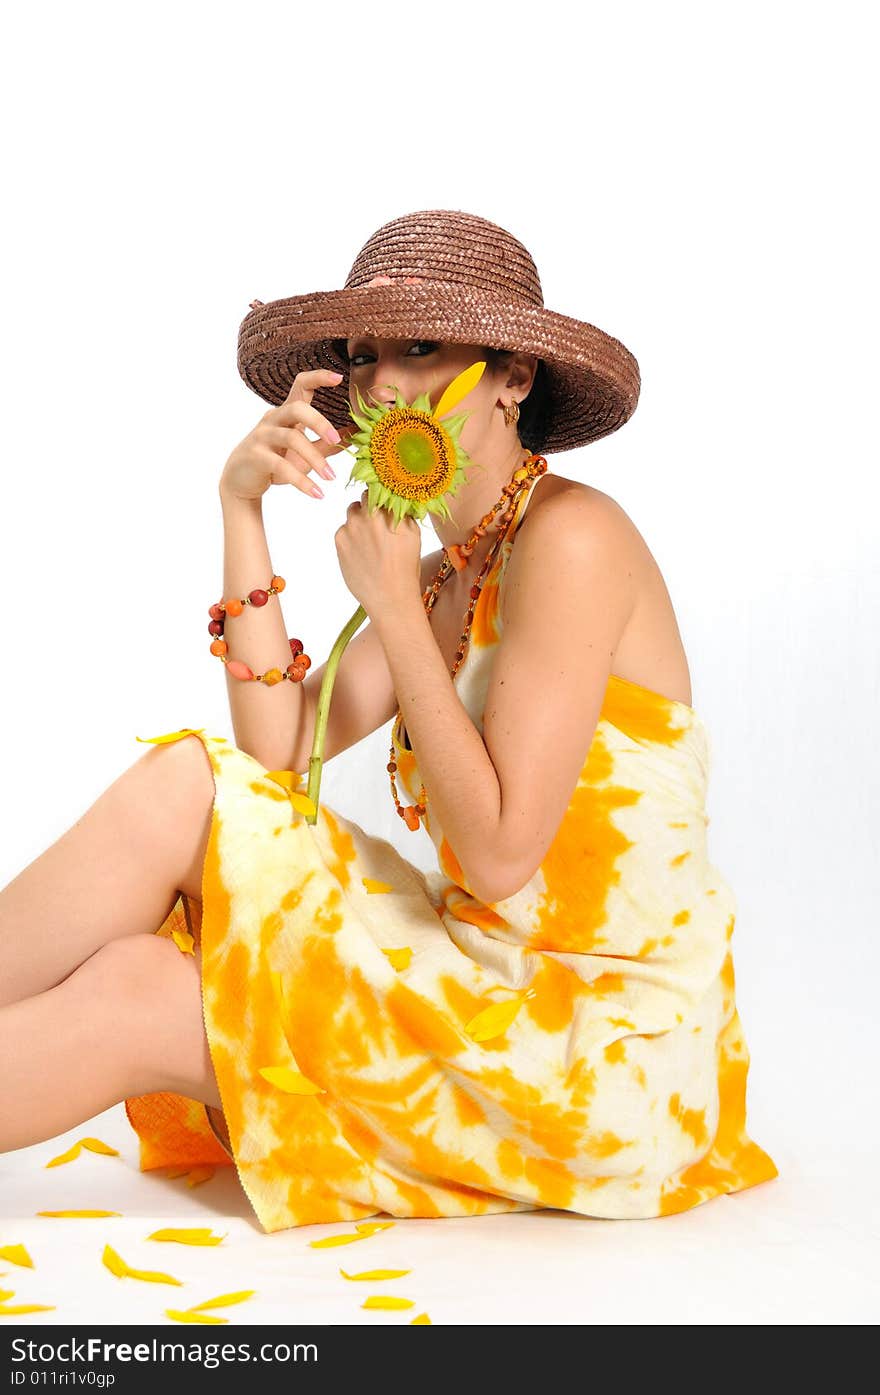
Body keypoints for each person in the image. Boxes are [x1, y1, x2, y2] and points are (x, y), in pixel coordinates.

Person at [0, 209, 778, 1230]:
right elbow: (276, 747)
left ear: (513, 376)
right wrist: (242, 511)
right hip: (475, 984)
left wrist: (403, 616)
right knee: (182, 799)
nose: (377, 384)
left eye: (420, 348)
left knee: (147, 995)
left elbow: (500, 856)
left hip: (596, 1056)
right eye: (363, 356)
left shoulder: (572, 540)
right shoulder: (446, 573)